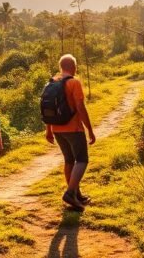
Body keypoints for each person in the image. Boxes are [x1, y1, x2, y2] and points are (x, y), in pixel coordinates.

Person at [44, 54, 96, 211]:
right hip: (73, 128)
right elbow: (80, 107)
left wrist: (48, 130)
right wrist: (90, 130)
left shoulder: (51, 83)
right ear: (74, 67)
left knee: (68, 160)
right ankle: (70, 192)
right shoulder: (74, 82)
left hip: (57, 129)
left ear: (61, 67)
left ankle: (76, 194)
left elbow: (47, 109)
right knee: (81, 160)